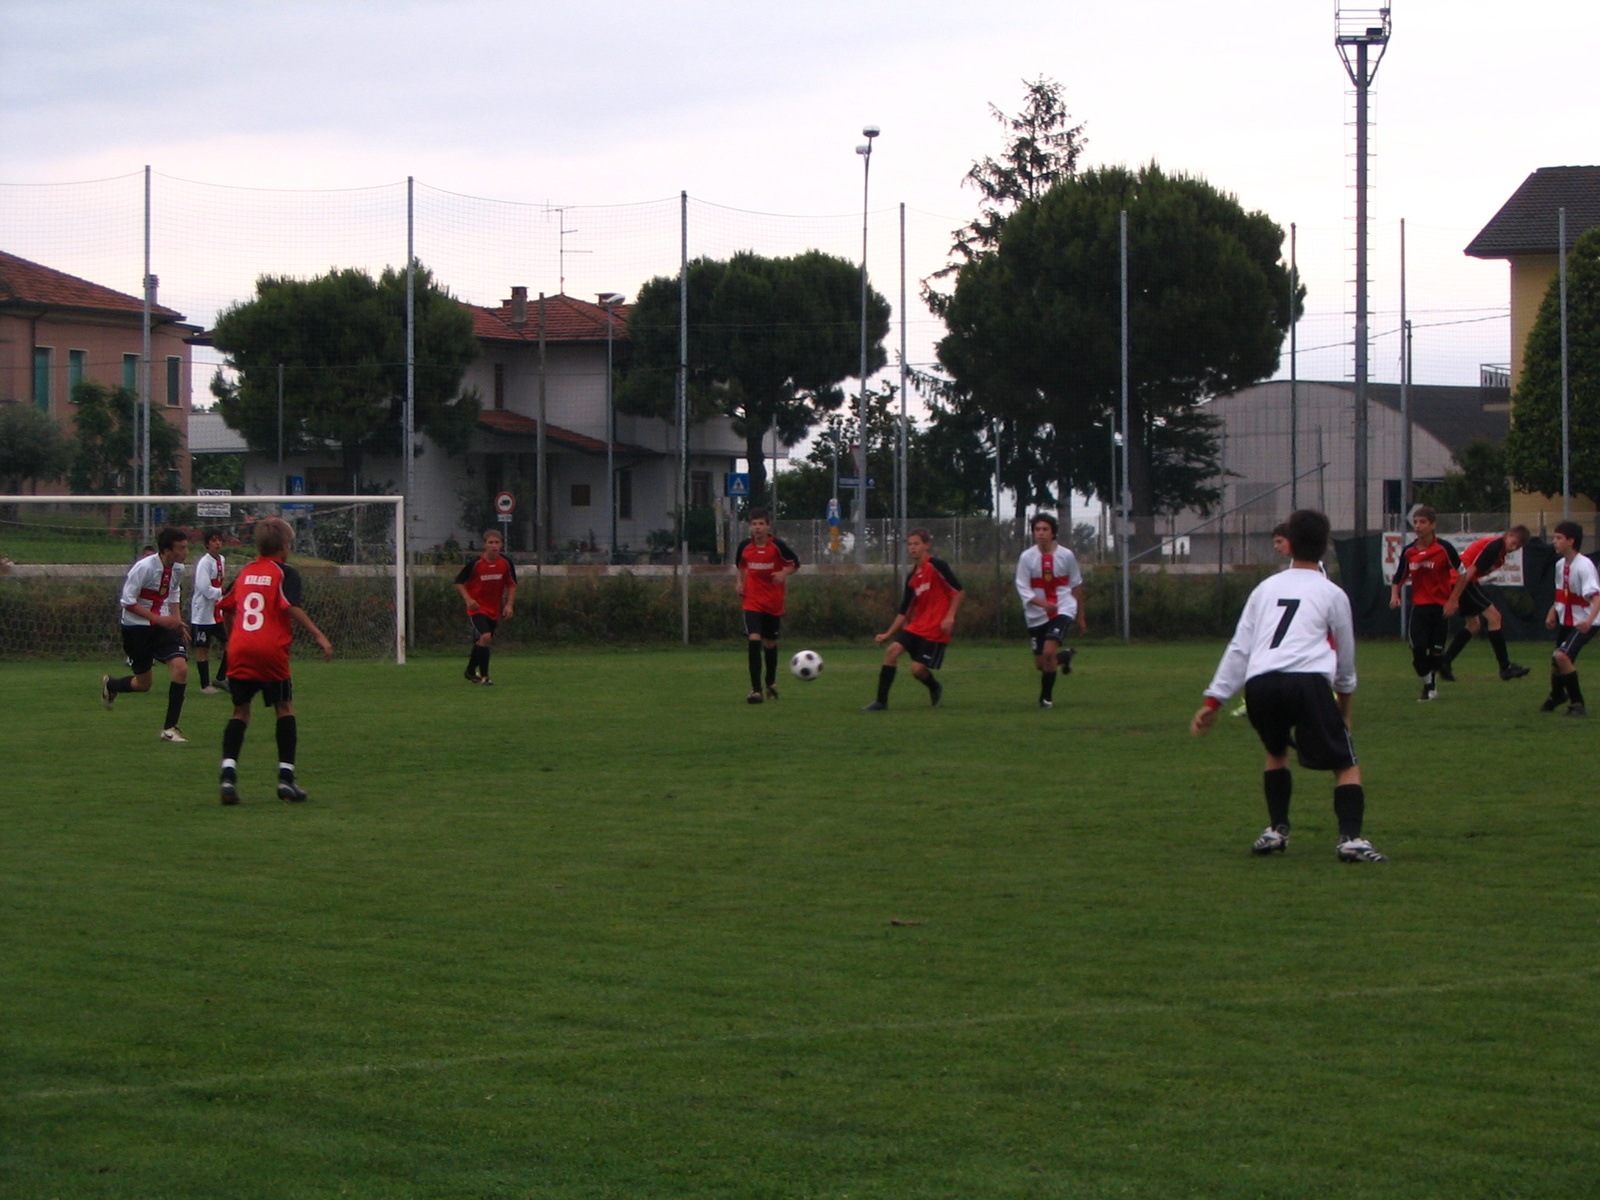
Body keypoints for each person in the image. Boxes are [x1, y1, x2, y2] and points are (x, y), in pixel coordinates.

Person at [1191, 509, 1387, 863]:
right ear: (1325, 546)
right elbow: (1344, 659)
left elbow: (1240, 647)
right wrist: (1345, 709)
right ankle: (1350, 840)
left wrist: (1214, 701)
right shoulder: (1331, 593)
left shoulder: (1265, 589)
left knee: (1276, 752)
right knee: (1345, 763)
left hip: (1261, 683)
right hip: (1307, 681)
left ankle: (1276, 831)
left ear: (1290, 545)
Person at [215, 517, 333, 804]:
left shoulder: (245, 573)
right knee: (284, 708)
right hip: (270, 651)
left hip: (241, 649)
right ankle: (286, 781)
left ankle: (228, 779)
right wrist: (319, 635)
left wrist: (232, 640)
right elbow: (290, 606)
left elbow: (225, 606)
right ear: (284, 546)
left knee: (240, 712)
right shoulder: (284, 573)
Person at [101, 526, 192, 743]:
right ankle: (111, 685)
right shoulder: (144, 568)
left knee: (181, 669)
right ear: (167, 550)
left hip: (162, 627)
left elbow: (174, 591)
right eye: (181, 548)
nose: (186, 552)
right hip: (136, 628)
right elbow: (127, 601)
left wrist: (176, 620)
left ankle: (170, 730)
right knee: (143, 684)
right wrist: (161, 619)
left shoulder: (178, 569)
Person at [863, 528, 963, 710]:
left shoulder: (937, 566)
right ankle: (881, 701)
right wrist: (888, 634)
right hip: (917, 626)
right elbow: (904, 612)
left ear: (926, 545)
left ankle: (934, 686)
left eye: (916, 543)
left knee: (917, 670)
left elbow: (958, 591)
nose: (912, 548)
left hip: (936, 629)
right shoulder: (912, 577)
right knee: (892, 651)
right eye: (909, 544)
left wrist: (950, 616)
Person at [1438, 526, 1532, 681]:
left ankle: (1445, 662)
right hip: (1463, 580)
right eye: (1513, 542)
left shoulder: (1500, 553)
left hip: (1462, 580)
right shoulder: (1495, 546)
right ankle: (1505, 667)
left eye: (1517, 547)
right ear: (1508, 535)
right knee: (1494, 617)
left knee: (1474, 625)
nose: (1513, 547)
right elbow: (1471, 569)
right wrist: (1454, 597)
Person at [1389, 505, 1460, 702]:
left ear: (1433, 525)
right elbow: (1398, 578)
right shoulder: (1409, 551)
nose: (1418, 526)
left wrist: (1453, 600)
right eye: (1416, 522)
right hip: (1420, 608)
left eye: (1423, 522)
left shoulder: (1444, 549)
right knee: (1418, 651)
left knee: (1436, 654)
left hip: (1441, 609)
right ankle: (1429, 686)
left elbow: (1463, 574)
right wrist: (1394, 595)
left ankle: (1432, 680)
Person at [1015, 513, 1084, 708]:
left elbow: (1076, 586)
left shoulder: (1066, 555)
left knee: (1047, 653)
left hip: (1063, 608)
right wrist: (1043, 604)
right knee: (1041, 663)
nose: (1041, 533)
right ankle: (1065, 656)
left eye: (1045, 529)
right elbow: (1022, 588)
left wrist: (1080, 617)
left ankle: (1045, 699)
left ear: (1053, 533)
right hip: (1036, 614)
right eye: (1037, 529)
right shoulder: (1027, 557)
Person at [734, 507, 800, 703]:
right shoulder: (745, 546)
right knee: (754, 639)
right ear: (750, 526)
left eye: (761, 524)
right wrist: (739, 582)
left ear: (768, 526)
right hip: (752, 600)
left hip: (773, 601)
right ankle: (756, 691)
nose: (757, 528)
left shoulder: (777, 546)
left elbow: (795, 564)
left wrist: (783, 574)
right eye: (754, 524)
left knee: (770, 643)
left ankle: (770, 683)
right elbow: (741, 565)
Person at [1539, 520, 1599, 718]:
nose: (1554, 541)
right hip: (1569, 620)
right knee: (1557, 660)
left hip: (1585, 622)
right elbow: (1561, 594)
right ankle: (1557, 695)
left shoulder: (1584, 566)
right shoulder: (1560, 565)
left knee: (1562, 657)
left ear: (1571, 541)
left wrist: (1589, 621)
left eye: (1558, 538)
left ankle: (1577, 703)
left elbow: (1596, 597)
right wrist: (1552, 611)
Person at [454, 529, 517, 685]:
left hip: (494, 609)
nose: (494, 546)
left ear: (501, 544)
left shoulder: (506, 563)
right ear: (484, 545)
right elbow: (459, 582)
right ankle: (484, 676)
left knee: (482, 641)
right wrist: (468, 600)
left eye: (497, 542)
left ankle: (470, 671)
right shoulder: (476, 564)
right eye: (490, 542)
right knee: (486, 637)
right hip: (477, 608)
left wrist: (509, 605)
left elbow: (511, 584)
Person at [190, 529, 230, 695]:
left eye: (219, 540)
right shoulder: (204, 563)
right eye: (213, 540)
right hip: (203, 614)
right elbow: (204, 588)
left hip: (216, 612)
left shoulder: (221, 559)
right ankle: (205, 685)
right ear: (207, 544)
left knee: (231, 643)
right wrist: (222, 592)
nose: (217, 543)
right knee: (203, 648)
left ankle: (220, 678)